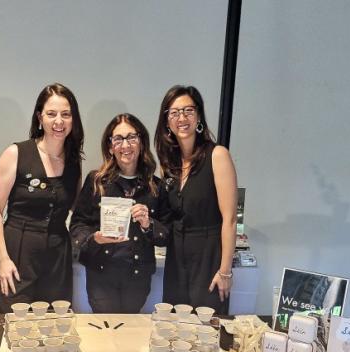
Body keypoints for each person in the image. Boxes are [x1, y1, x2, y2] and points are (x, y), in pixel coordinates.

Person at [0, 83, 83, 313]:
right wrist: (3, 258)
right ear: (40, 117)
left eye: (65, 114)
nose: (58, 121)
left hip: (57, 259)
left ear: (73, 119)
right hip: (18, 255)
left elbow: (78, 209)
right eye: (51, 114)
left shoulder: (73, 161)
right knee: (15, 326)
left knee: (53, 329)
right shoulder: (17, 153)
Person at [70, 114, 167, 313]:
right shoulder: (96, 181)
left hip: (138, 277)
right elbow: (77, 225)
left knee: (130, 332)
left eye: (132, 137)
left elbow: (167, 234)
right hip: (101, 275)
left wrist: (149, 225)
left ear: (141, 143)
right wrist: (94, 238)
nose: (125, 145)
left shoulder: (155, 186)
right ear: (110, 146)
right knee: (105, 332)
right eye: (118, 139)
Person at [154, 85, 237, 314]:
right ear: (167, 122)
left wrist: (225, 271)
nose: (182, 118)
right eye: (174, 112)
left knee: (204, 332)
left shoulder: (217, 155)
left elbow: (230, 220)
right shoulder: (169, 164)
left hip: (208, 257)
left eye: (188, 110)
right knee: (174, 330)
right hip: (176, 260)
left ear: (198, 115)